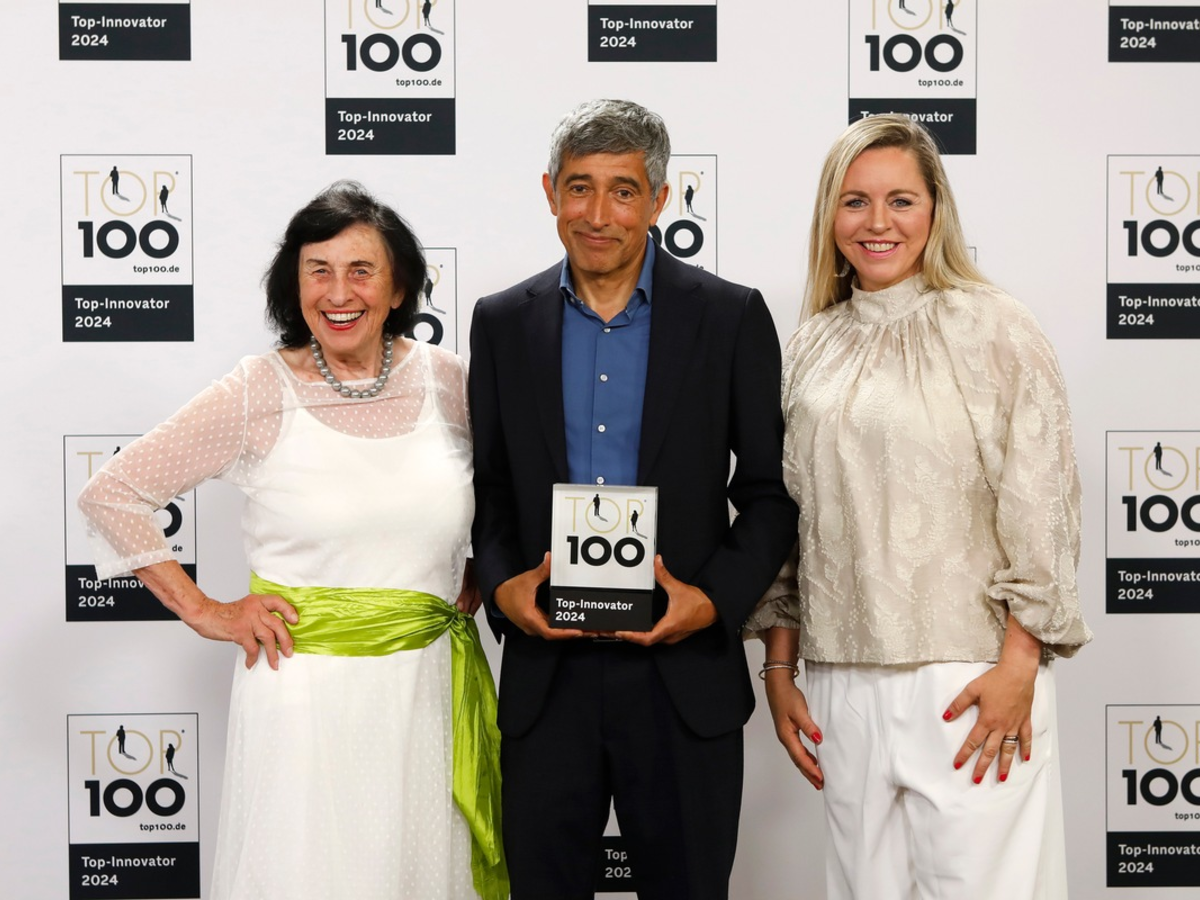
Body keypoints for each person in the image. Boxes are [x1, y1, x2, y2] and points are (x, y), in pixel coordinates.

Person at [78, 181, 506, 900]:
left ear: (399, 286)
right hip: (303, 696)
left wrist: (479, 564)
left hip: (427, 689)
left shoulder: (449, 382)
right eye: (318, 270)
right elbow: (113, 491)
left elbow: (504, 486)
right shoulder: (259, 390)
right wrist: (205, 610)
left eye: (361, 270)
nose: (339, 293)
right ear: (295, 284)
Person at [746, 115, 1092, 900]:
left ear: (936, 208)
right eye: (855, 201)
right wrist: (781, 667)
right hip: (841, 682)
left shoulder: (996, 327)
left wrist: (1019, 666)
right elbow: (789, 523)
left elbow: (1042, 502)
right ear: (830, 216)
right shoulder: (809, 347)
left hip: (972, 676)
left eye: (900, 200)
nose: (878, 223)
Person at [469, 99, 796, 899]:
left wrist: (710, 602)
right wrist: (505, 589)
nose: (598, 214)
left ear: (659, 200)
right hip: (548, 677)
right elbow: (491, 488)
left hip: (682, 678)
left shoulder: (730, 316)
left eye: (623, 191)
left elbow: (769, 495)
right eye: (579, 187)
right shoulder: (501, 322)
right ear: (550, 192)